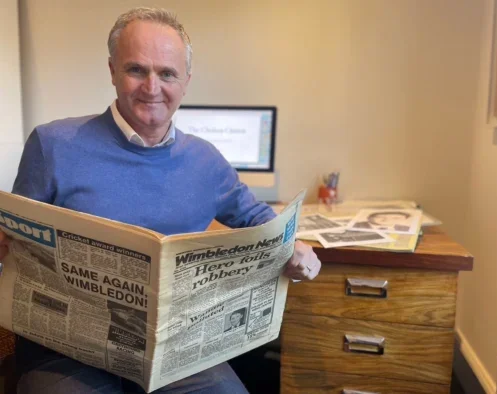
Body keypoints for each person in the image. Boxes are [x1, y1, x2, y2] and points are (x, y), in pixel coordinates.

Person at [0, 7, 321, 394]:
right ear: (112, 70)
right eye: (137, 70)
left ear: (186, 80)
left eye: (167, 73)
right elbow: (14, 236)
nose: (152, 88)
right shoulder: (53, 145)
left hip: (174, 352)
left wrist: (297, 246)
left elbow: (259, 221)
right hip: (68, 351)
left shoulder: (206, 160)